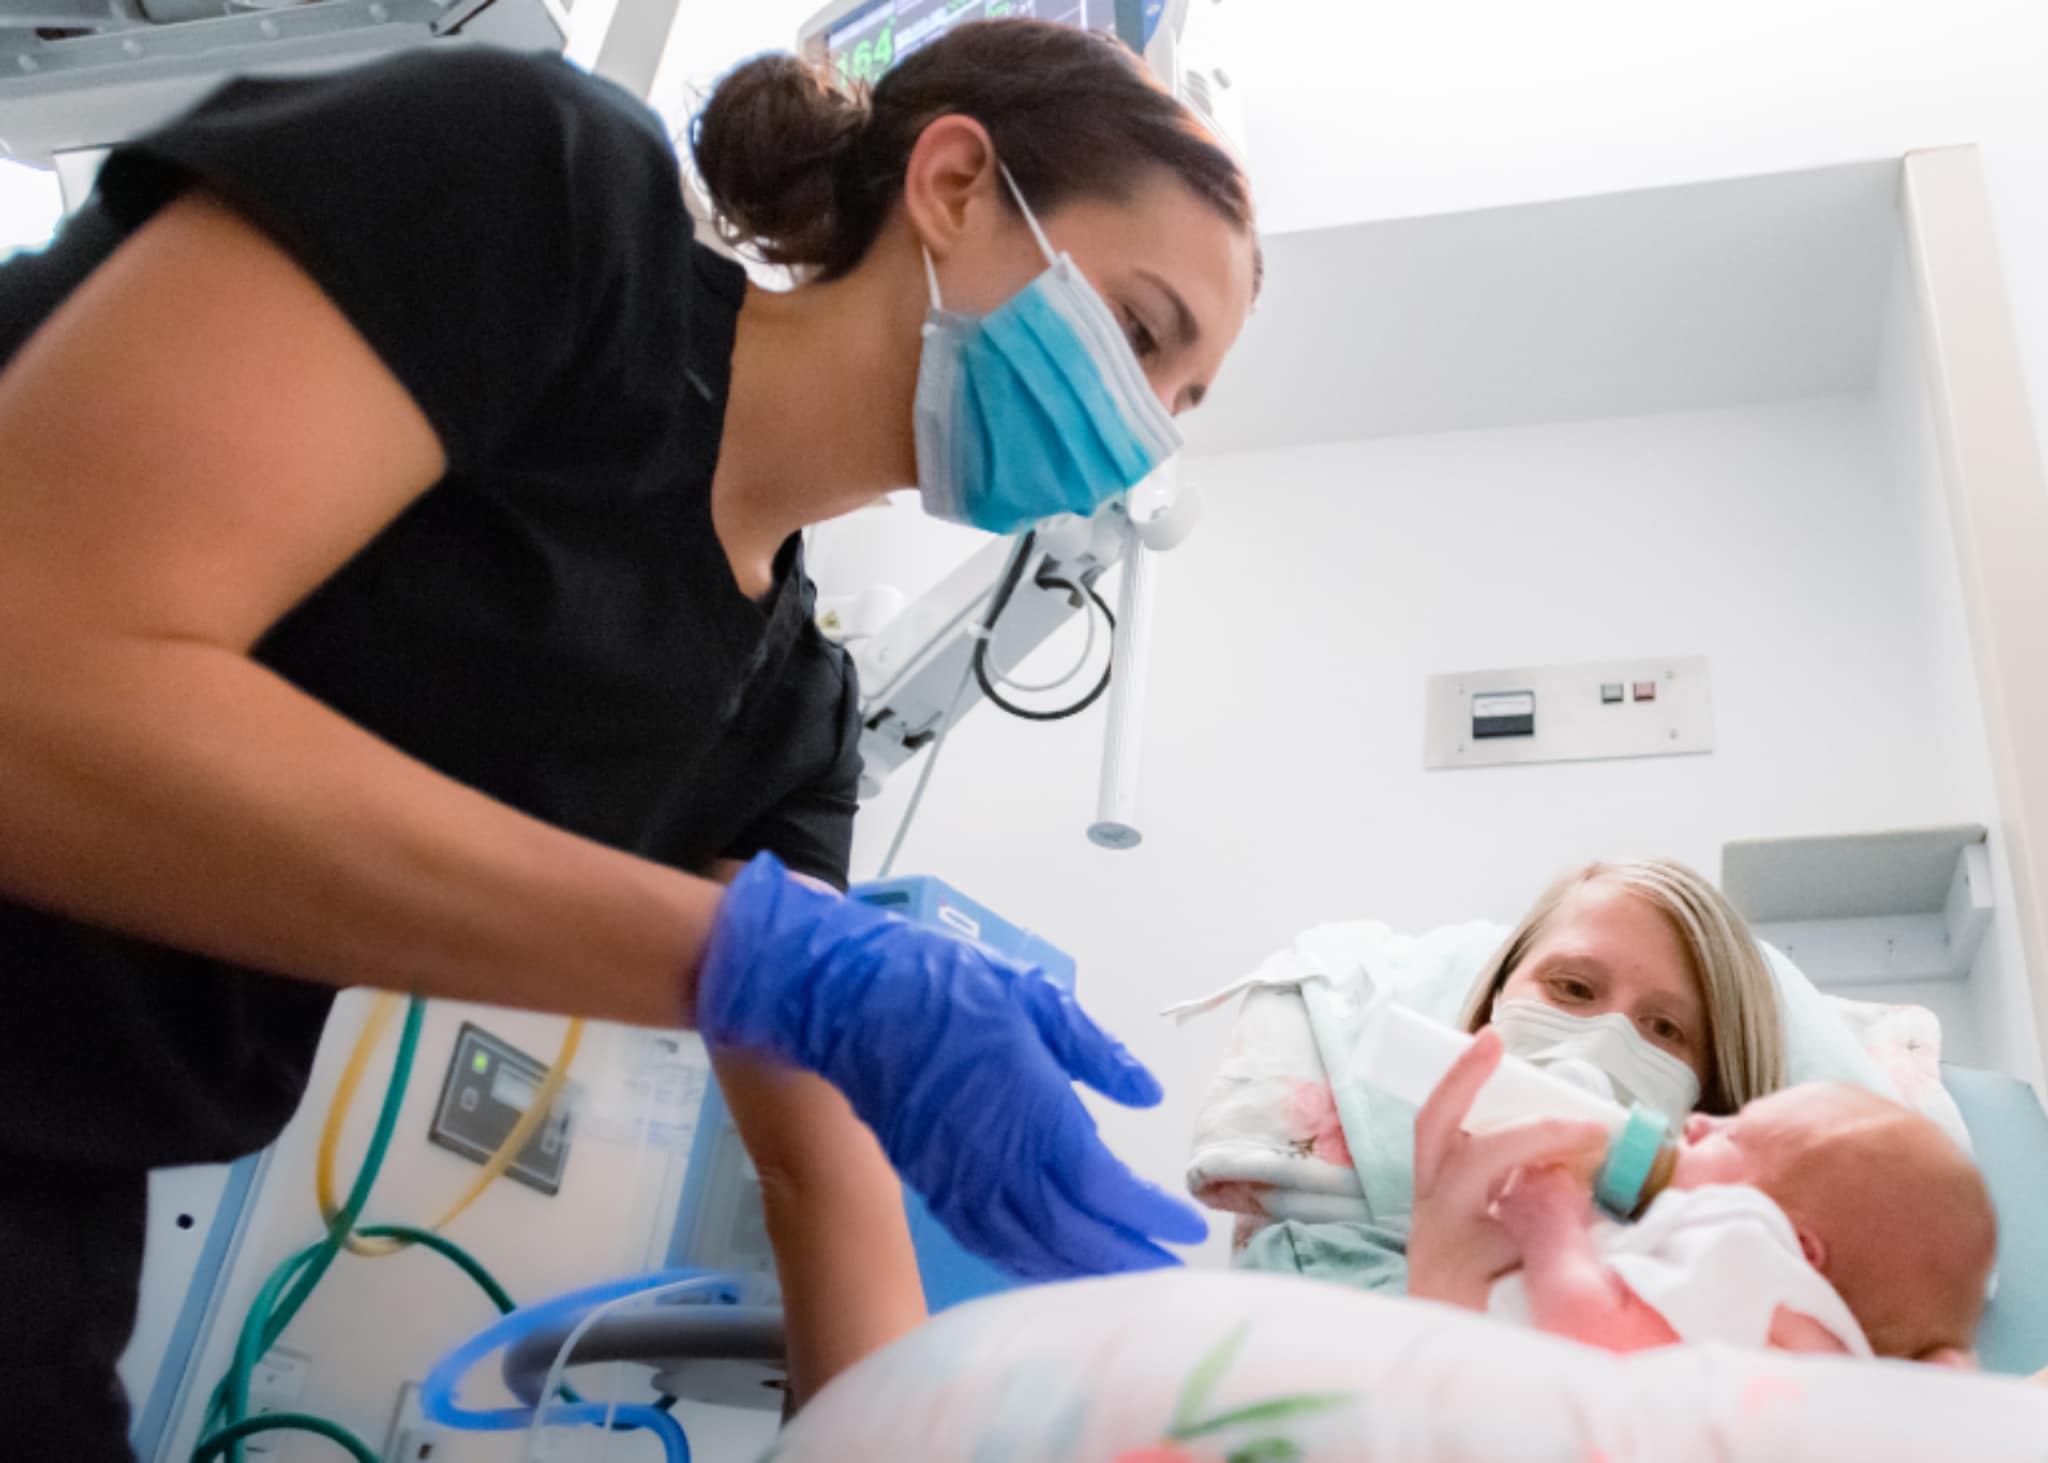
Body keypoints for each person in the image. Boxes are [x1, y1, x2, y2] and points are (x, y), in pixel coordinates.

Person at [0, 19, 1259, 1453]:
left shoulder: (789, 716)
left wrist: (904, 1429)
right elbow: (33, 676)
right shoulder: (544, 194)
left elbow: (818, 1163)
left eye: (1183, 403)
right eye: (1144, 333)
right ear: (958, 187)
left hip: (59, 1154)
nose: (1142, 425)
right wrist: (762, 961)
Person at [1241, 857, 1788, 1292]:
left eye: (1666, 1028)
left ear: (1708, 1112)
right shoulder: (1306, 1277)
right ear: (1485, 1018)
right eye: (1571, 987)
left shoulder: (1749, 1308)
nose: (1600, 1047)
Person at [1447, 1044, 1996, 1364]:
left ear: (1796, 1248)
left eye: (1735, 1136)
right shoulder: (1807, 1356)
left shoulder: (1749, 1252)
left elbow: (1602, 1337)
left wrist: (1552, 1225)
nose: (1699, 1121)